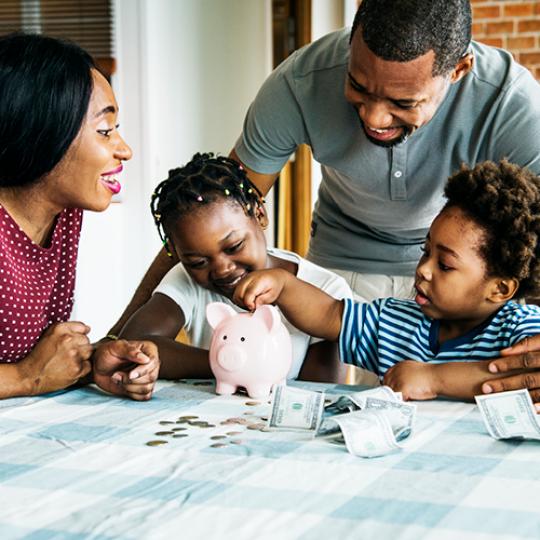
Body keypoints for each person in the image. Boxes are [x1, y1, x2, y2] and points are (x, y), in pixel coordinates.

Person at [227, 0, 540, 393]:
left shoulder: (513, 103)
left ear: (458, 70)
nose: (374, 119)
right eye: (358, 86)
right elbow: (219, 212)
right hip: (341, 261)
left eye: (403, 102)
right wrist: (139, 317)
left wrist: (437, 379)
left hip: (462, 271)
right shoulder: (298, 82)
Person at [233, 160, 540, 405]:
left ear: (499, 289)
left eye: (445, 265)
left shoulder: (519, 331)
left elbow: (529, 372)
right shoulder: (397, 321)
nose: (423, 270)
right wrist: (285, 286)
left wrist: (433, 379)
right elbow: (329, 315)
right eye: (426, 251)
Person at [0, 33, 159, 400]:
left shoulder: (65, 214)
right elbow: (30, 370)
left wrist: (91, 363)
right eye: (104, 131)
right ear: (40, 131)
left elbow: (41, 355)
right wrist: (26, 378)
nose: (125, 150)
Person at [117, 153, 351, 383]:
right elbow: (131, 345)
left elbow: (321, 391)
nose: (222, 269)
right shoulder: (186, 278)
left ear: (259, 214)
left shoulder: (327, 289)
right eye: (198, 262)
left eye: (234, 246)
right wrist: (224, 362)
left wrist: (236, 364)